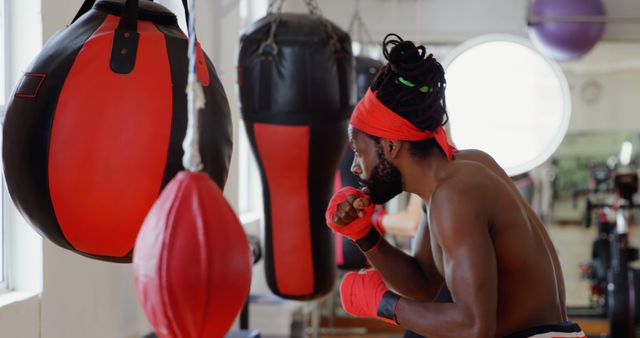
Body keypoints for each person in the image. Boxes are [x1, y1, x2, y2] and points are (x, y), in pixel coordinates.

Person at [325, 34, 583, 338]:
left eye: (359, 151)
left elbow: (474, 328)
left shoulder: (454, 193)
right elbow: (426, 288)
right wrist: (365, 235)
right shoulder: (454, 176)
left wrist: (384, 305)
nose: (355, 167)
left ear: (391, 145)